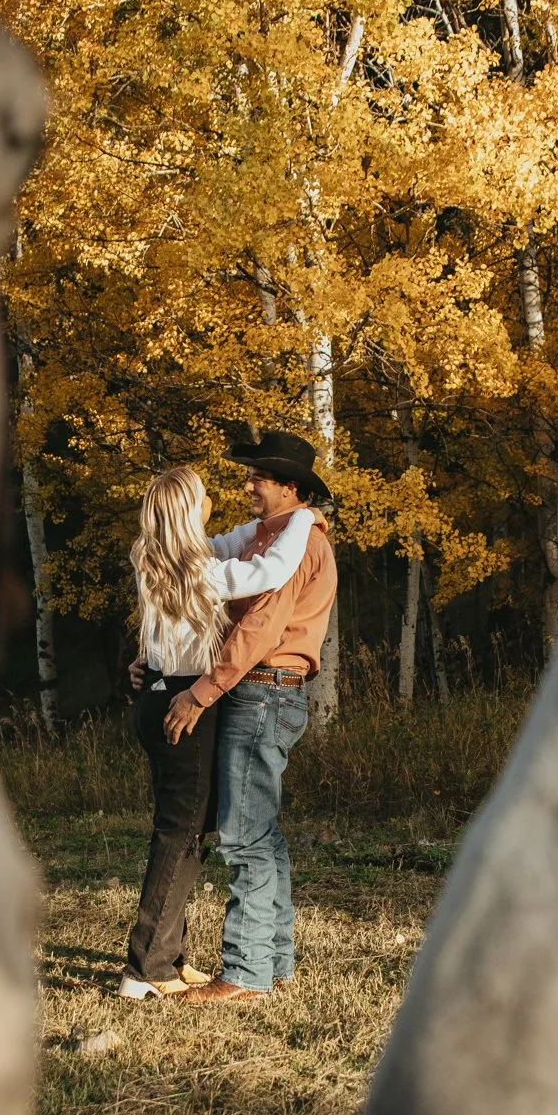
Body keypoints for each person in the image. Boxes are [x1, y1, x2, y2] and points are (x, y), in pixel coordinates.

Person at [120, 464, 317, 999]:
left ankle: (167, 956)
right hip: (181, 701)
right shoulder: (197, 572)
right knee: (181, 832)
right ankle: (148, 969)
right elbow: (267, 571)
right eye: (203, 496)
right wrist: (304, 519)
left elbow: (238, 540)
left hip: (159, 693)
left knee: (187, 829)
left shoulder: (158, 557)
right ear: (187, 509)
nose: (215, 501)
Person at [174, 430, 338, 1005]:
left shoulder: (294, 546)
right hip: (272, 692)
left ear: (289, 488)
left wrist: (202, 691)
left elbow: (260, 627)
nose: (247, 486)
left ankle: (244, 974)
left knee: (244, 840)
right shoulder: (263, 537)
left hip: (262, 689)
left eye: (257, 479)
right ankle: (275, 962)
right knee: (262, 835)